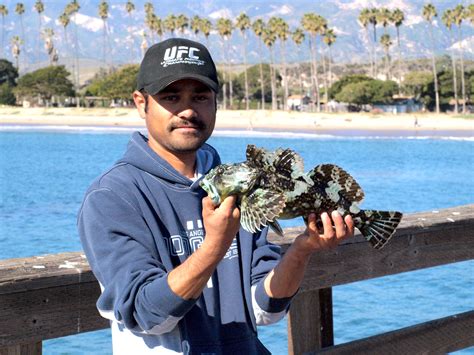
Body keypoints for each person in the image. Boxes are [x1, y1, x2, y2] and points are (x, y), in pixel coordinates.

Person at [78, 37, 354, 354]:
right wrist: (215, 245)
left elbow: (264, 309)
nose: (187, 110)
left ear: (215, 104)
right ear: (142, 103)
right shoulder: (113, 196)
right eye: (171, 97)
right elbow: (145, 314)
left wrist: (302, 250)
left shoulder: (238, 186)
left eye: (200, 97)